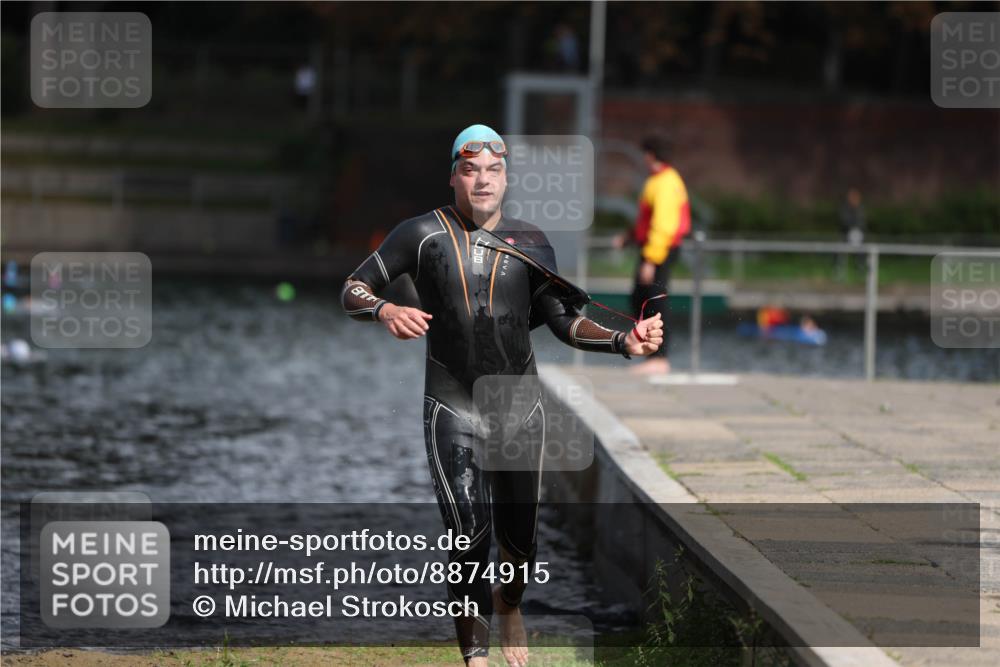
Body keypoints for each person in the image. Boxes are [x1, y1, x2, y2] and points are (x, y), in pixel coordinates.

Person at [340, 124, 663, 667]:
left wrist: (622, 342)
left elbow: (564, 323)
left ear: (506, 177)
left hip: (517, 407)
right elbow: (353, 287)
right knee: (467, 535)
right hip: (452, 402)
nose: (482, 181)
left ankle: (507, 604)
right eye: (471, 171)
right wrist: (386, 309)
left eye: (492, 171)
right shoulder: (420, 234)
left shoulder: (532, 243)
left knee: (520, 545)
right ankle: (477, 659)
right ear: (454, 177)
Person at [614, 135, 691, 374]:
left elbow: (663, 225)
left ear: (650, 154)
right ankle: (651, 353)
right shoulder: (658, 180)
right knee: (640, 298)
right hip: (652, 249)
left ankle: (660, 357)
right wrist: (628, 237)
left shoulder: (666, 183)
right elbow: (646, 221)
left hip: (659, 251)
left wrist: (651, 260)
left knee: (653, 300)